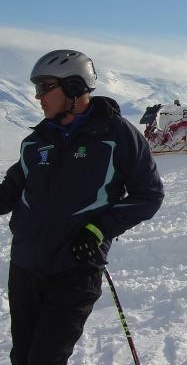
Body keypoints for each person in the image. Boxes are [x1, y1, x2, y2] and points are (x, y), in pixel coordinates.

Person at [0, 49, 164, 364]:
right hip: (25, 268)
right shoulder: (36, 141)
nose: (38, 97)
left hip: (74, 270)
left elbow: (149, 194)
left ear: (75, 87)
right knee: (22, 356)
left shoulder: (116, 135)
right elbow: (8, 193)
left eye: (45, 87)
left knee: (44, 359)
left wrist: (98, 230)